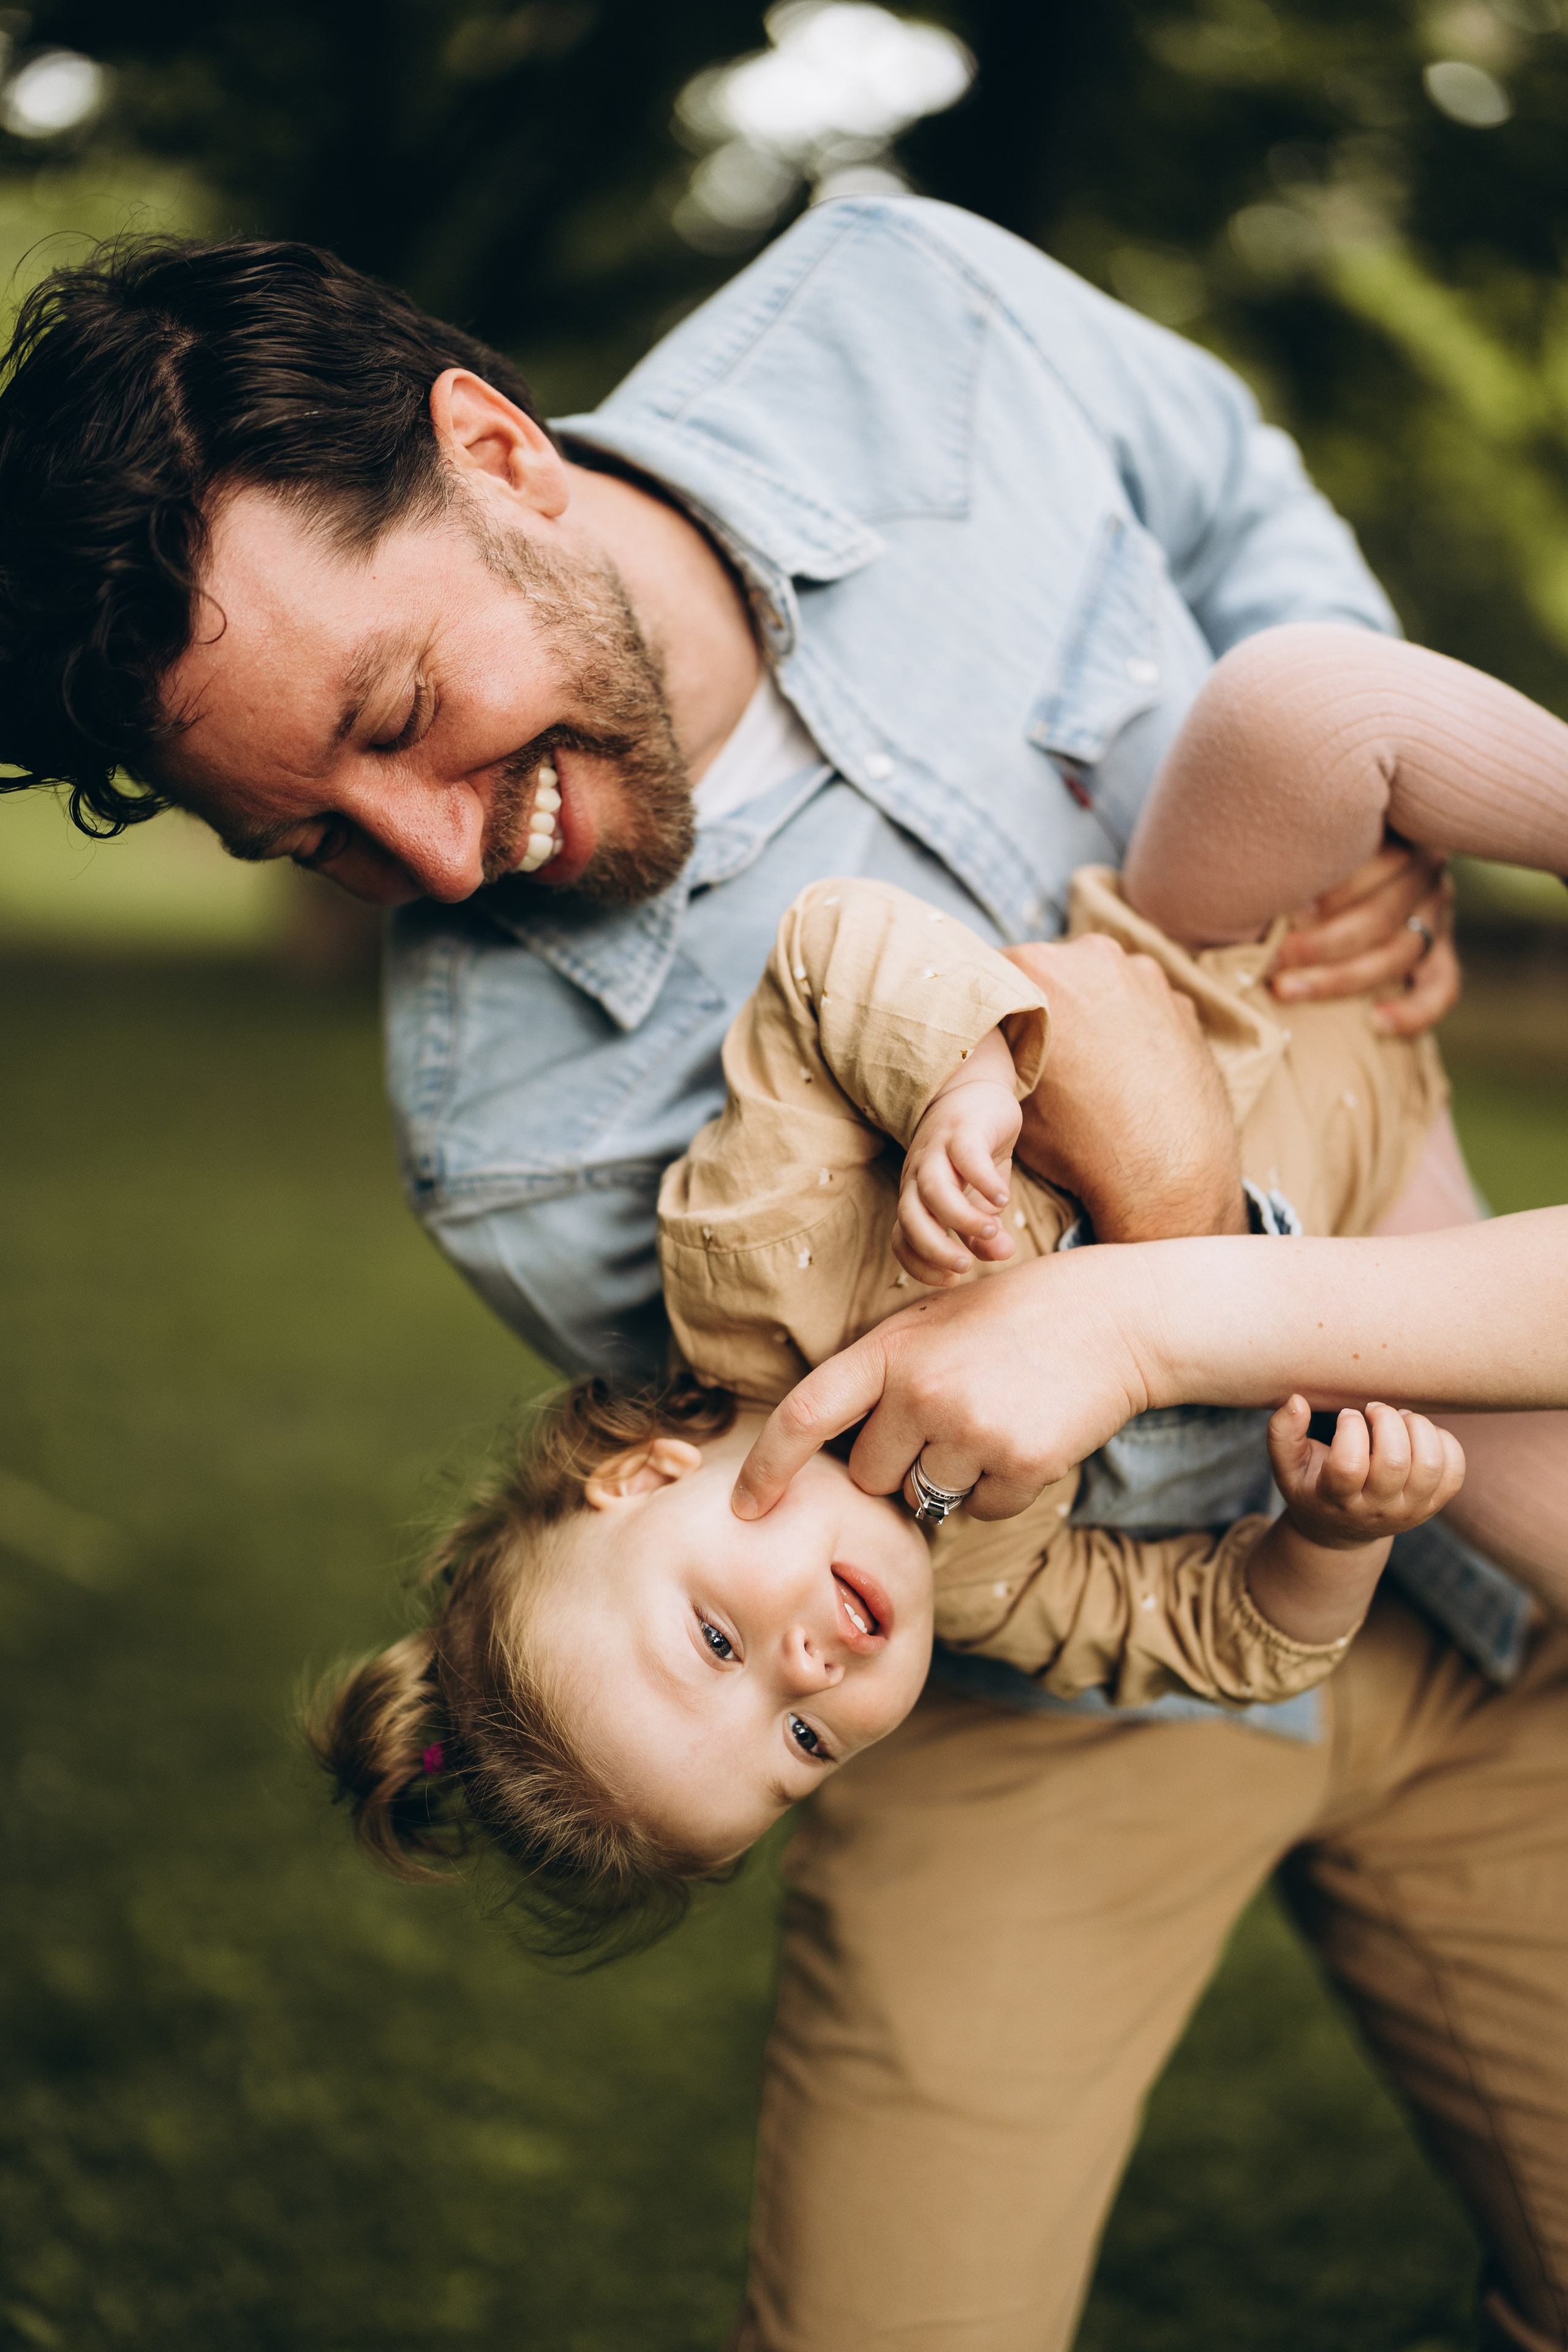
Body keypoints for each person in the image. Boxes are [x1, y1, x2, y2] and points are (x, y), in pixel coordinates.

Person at [0, 201, 1551, 2349]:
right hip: (1080, 1654)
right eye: (321, 840)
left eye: (407, 711)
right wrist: (1184, 1224)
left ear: (498, 449)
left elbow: (1228, 492)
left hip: (1426, 1418)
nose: (438, 865)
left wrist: (1389, 842)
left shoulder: (910, 313)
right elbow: (1002, 1537)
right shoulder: (517, 1136)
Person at [312, 865, 1473, 1923]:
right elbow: (1239, 1645)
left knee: (1297, 706)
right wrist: (1330, 1534)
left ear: (639, 1477)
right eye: (805, 1740)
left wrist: (957, 1095)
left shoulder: (747, 1260)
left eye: (718, 1642)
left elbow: (826, 955)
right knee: (1540, 1513)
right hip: (1393, 1134)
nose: (810, 1673)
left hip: (1227, 936)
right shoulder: (990, 1583)